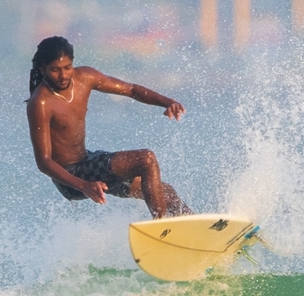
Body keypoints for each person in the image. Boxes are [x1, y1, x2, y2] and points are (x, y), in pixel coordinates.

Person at [24, 35, 192, 219]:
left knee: (165, 191)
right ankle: (161, 230)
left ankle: (196, 226)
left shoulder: (85, 77)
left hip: (88, 161)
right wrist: (83, 185)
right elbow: (44, 161)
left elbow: (131, 90)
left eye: (67, 67)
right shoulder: (40, 103)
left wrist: (167, 102)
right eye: (55, 70)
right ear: (43, 69)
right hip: (72, 176)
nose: (63, 75)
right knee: (146, 159)